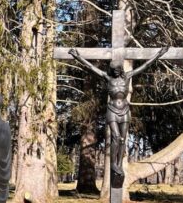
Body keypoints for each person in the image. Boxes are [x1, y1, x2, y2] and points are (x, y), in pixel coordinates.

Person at [67, 47, 167, 178]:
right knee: (116, 136)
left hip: (124, 110)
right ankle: (113, 163)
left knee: (122, 139)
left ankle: (119, 165)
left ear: (120, 70)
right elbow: (91, 67)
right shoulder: (108, 78)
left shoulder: (128, 77)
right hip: (112, 110)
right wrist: (77, 57)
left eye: (117, 70)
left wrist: (159, 54)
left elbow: (145, 65)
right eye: (113, 71)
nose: (115, 72)